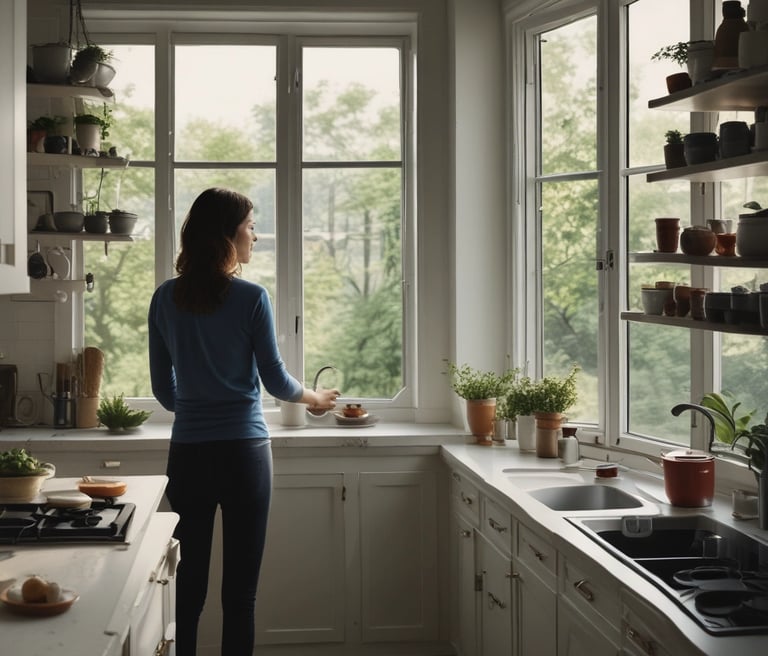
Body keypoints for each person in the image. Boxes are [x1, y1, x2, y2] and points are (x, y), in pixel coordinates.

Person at [148, 187, 339, 656]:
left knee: (187, 590)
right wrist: (316, 398)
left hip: (188, 455)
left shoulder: (164, 299)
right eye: (250, 226)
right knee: (240, 595)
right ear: (227, 235)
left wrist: (197, 404)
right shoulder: (252, 297)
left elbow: (162, 391)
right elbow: (276, 381)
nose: (255, 234)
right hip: (244, 456)